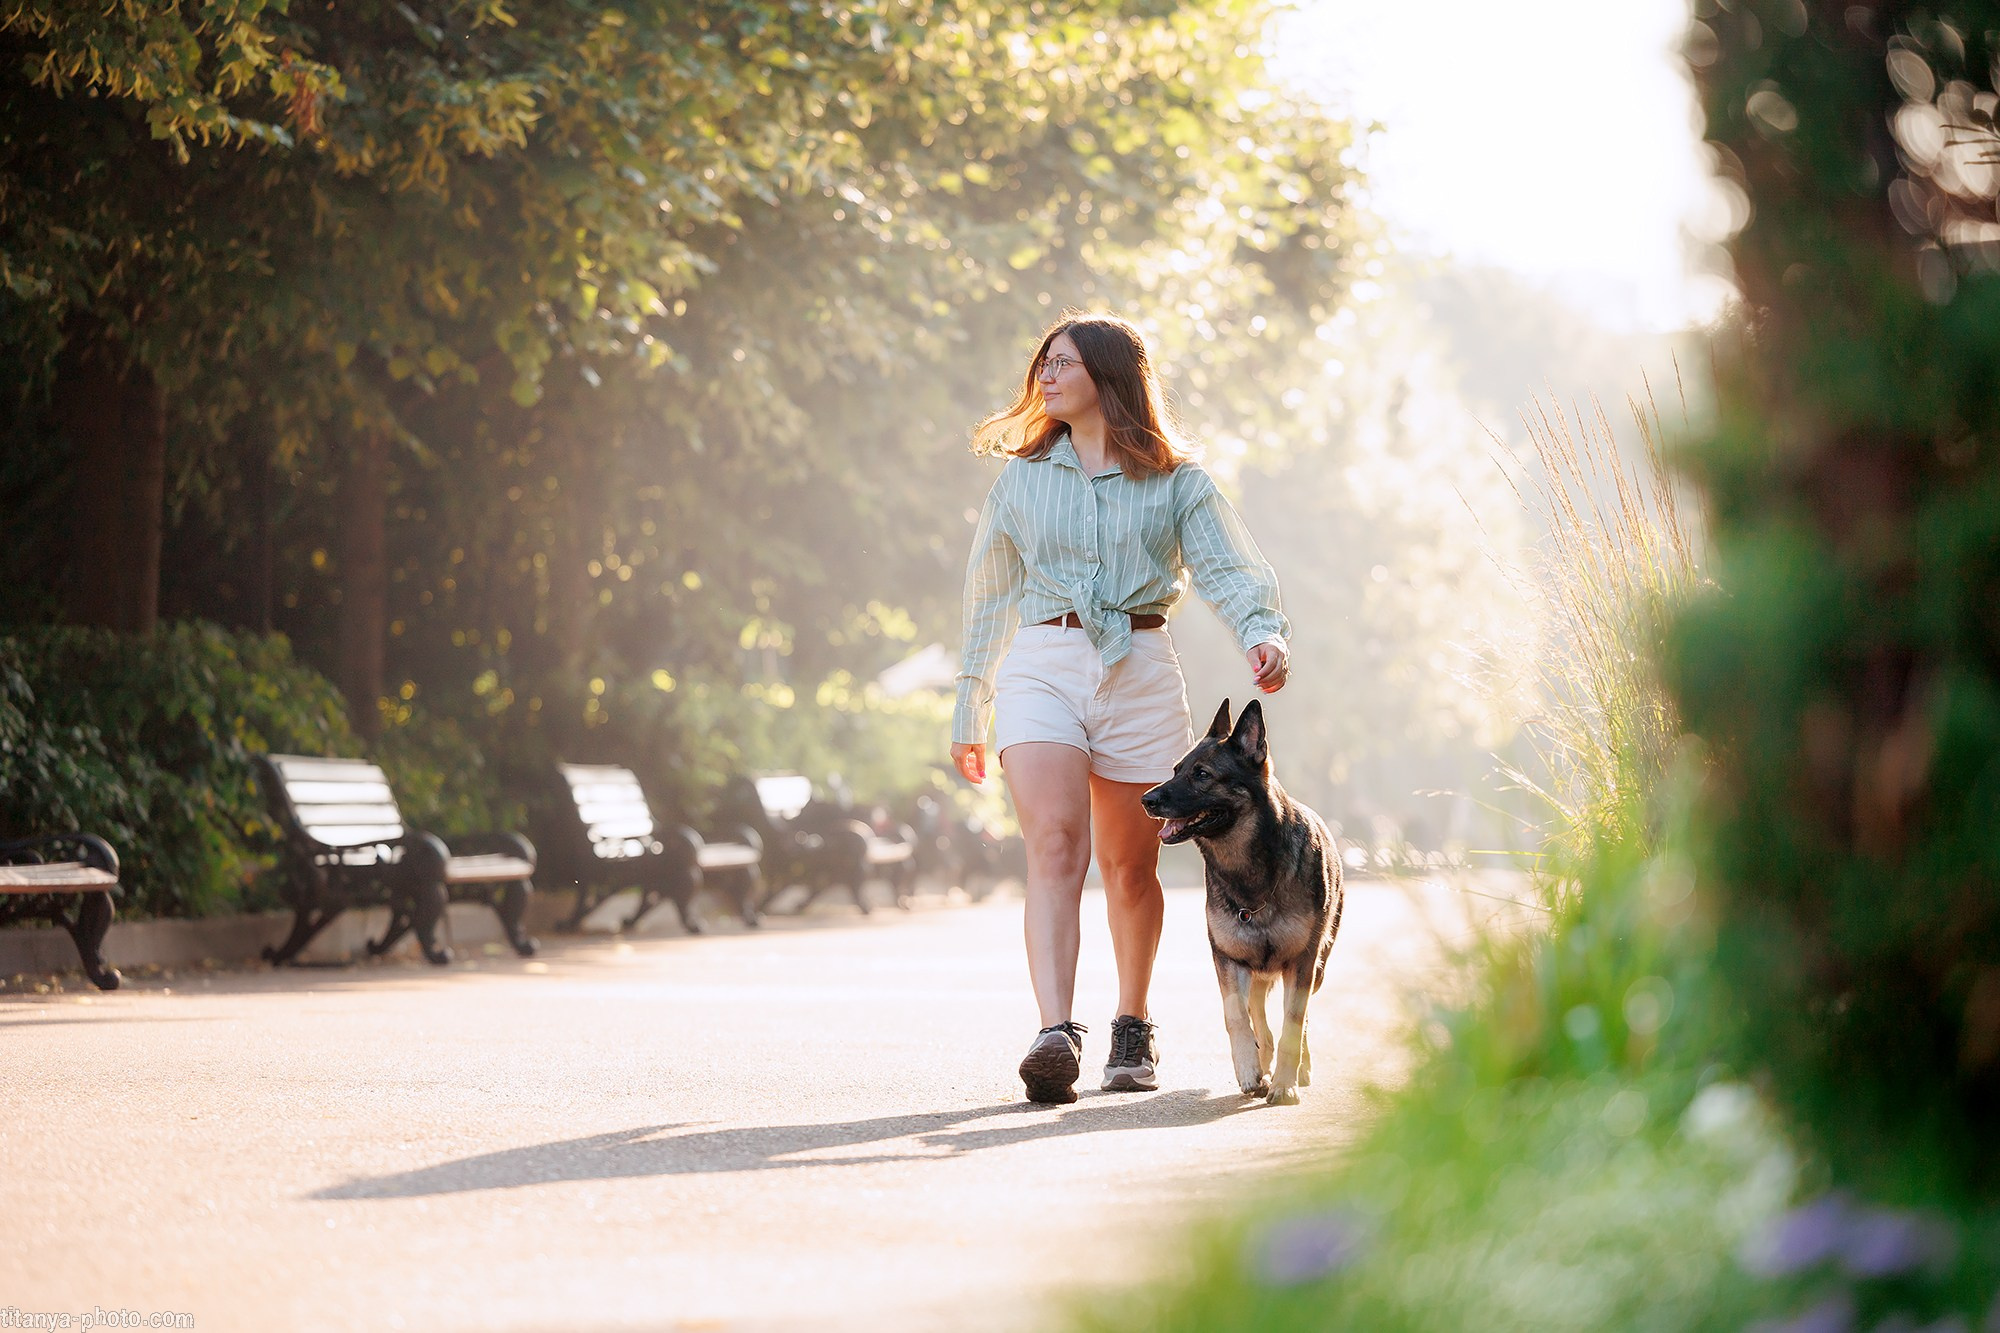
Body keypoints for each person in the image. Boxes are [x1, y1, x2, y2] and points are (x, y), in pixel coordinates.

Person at [949, 312, 1290, 1105]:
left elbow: (1229, 570)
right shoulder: (1022, 479)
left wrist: (1261, 634)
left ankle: (1130, 1024)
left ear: (1110, 376)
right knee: (1056, 842)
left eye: (1063, 362)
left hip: (1139, 667)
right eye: (1043, 363)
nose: (1046, 376)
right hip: (1043, 662)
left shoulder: (1178, 481)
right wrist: (972, 700)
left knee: (1131, 868)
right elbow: (988, 597)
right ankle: (1055, 1031)